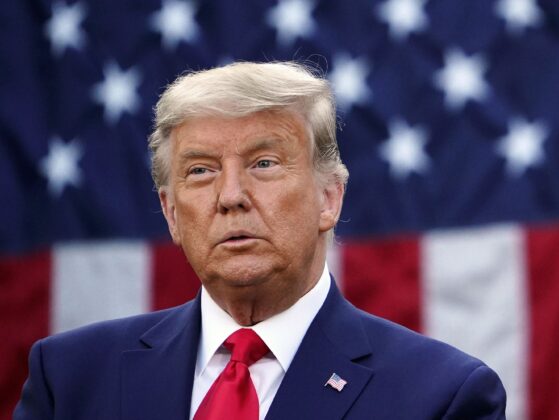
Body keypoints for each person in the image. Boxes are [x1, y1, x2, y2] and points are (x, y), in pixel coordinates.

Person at [14, 61, 506, 420]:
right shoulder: (70, 379)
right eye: (201, 170)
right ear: (171, 213)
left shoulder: (441, 396)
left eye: (264, 164)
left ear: (328, 198)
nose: (230, 196)